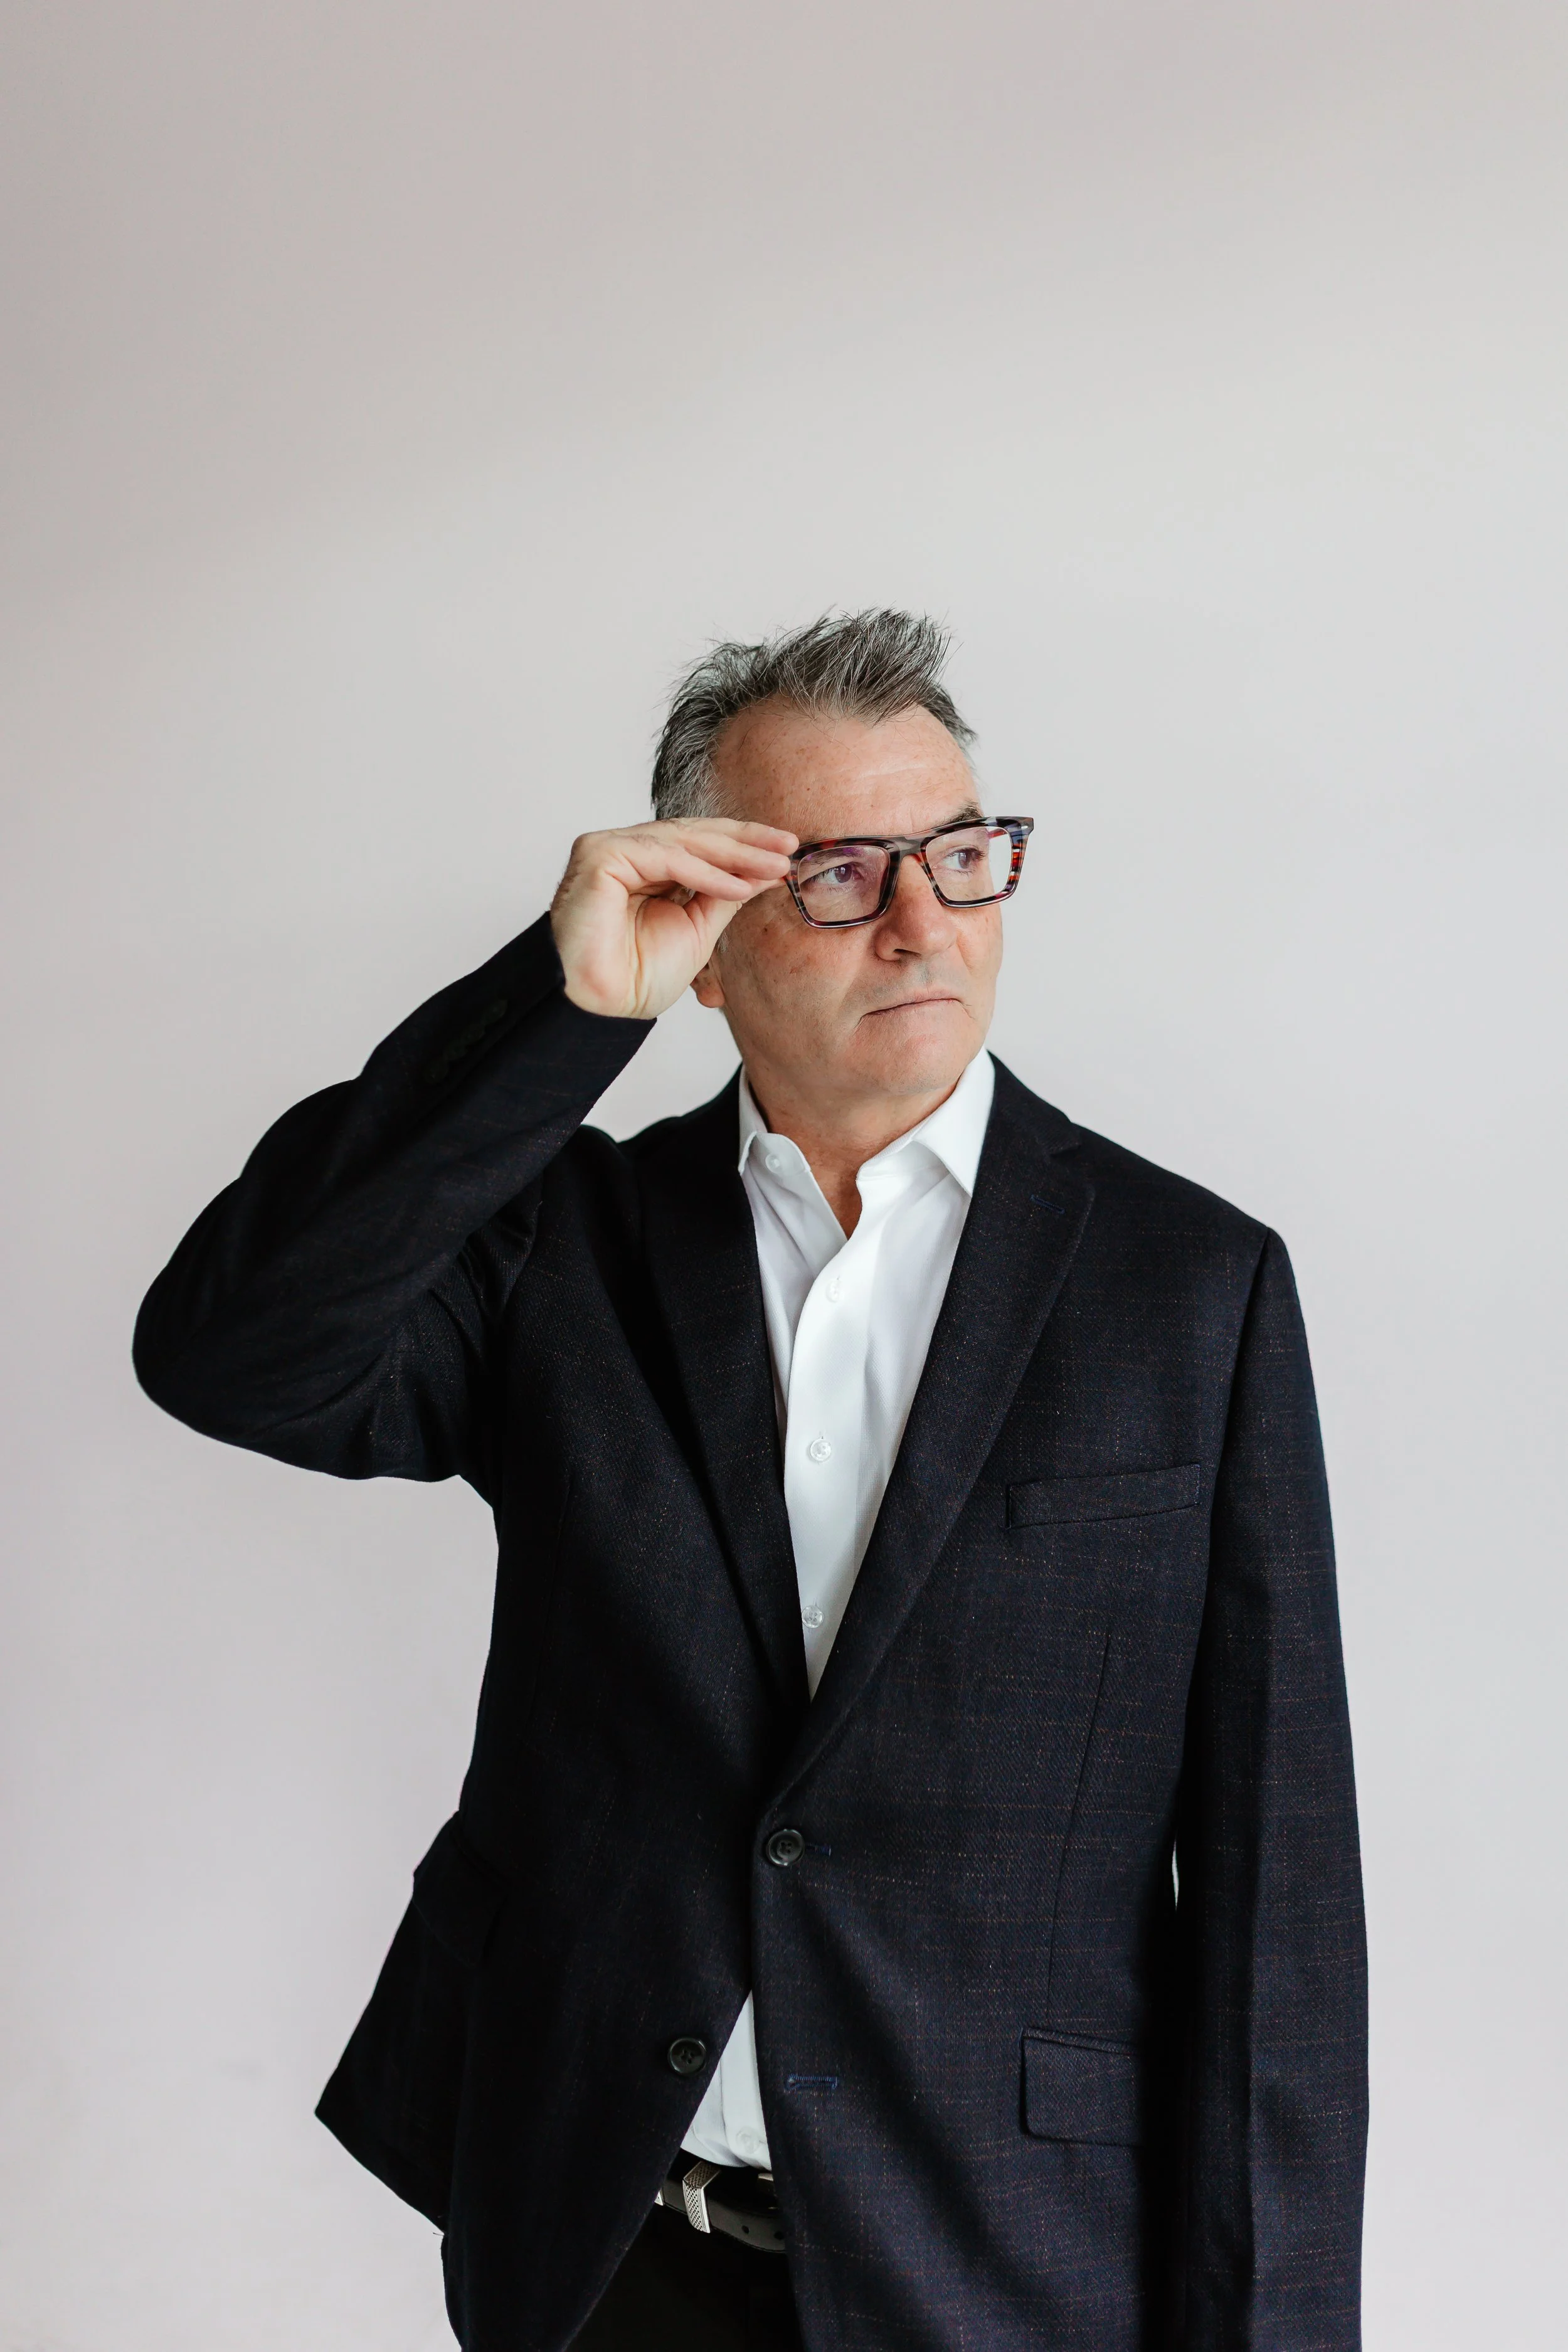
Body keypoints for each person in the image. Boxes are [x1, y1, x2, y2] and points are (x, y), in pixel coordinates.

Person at [134, 610, 1367, 2351]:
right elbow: (232, 1350)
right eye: (847, 874)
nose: (925, 921)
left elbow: (1276, 1901)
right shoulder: (569, 1248)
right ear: (703, 942)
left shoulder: (1190, 1287)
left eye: (958, 853)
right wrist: (550, 1010)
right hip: (609, 2248)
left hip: (1010, 2269)